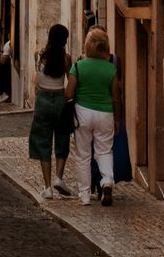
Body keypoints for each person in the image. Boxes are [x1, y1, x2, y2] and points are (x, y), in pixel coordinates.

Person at [66, 28, 120, 206]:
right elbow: (115, 97)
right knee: (104, 151)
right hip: (105, 113)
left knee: (83, 155)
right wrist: (117, 119)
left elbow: (69, 93)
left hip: (82, 113)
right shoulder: (111, 69)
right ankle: (106, 182)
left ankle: (85, 195)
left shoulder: (78, 67)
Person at [29, 24, 73, 199]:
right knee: (62, 138)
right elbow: (71, 80)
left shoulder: (39, 56)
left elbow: (37, 80)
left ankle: (47, 187)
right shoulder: (66, 59)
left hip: (43, 101)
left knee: (42, 142)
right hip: (60, 100)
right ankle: (58, 177)